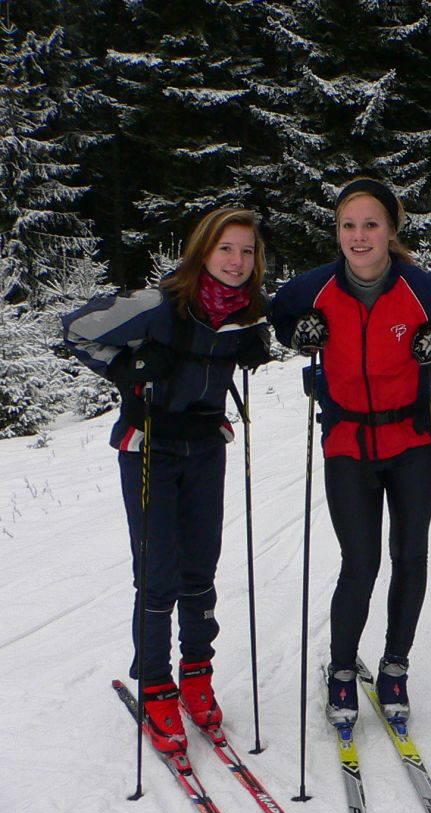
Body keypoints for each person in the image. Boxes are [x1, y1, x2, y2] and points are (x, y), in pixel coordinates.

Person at [270, 177, 431, 730]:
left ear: (391, 230)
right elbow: (280, 314)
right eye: (349, 225)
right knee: (360, 563)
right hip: (347, 442)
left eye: (371, 224)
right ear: (337, 232)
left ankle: (394, 668)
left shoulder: (420, 288)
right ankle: (342, 672)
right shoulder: (313, 289)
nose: (359, 236)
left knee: (410, 556)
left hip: (414, 439)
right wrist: (300, 333)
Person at [63, 208, 273, 752]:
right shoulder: (157, 305)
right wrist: (124, 370)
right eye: (226, 249)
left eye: (247, 252)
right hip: (150, 446)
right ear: (203, 250)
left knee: (200, 567)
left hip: (205, 447)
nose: (236, 261)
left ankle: (196, 672)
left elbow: (302, 312)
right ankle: (156, 682)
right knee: (158, 573)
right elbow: (77, 328)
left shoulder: (247, 313)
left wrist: (262, 344)